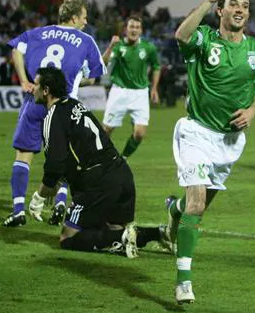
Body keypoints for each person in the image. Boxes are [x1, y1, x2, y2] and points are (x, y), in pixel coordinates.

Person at [164, 0, 255, 304]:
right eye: (233, 4)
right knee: (197, 203)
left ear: (248, 14)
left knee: (196, 208)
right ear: (222, 11)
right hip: (197, 131)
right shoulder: (206, 40)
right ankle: (184, 279)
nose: (239, 8)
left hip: (229, 143)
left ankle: (175, 210)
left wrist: (254, 111)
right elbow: (182, 36)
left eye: (244, 5)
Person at [28, 67, 167, 257]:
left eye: (35, 84)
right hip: (121, 173)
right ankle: (159, 233)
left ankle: (123, 237)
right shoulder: (76, 105)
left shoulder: (53, 116)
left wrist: (39, 196)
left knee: (68, 239)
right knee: (113, 228)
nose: (31, 88)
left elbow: (55, 163)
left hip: (99, 181)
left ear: (45, 90)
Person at [3, 0, 105, 227]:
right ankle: (60, 202)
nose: (86, 22)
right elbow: (92, 77)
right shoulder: (86, 41)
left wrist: (23, 80)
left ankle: (18, 210)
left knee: (23, 155)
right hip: (63, 106)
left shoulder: (38, 32)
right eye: (84, 17)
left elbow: (16, 50)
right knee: (67, 157)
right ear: (73, 17)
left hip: (35, 99)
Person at [101, 15, 161, 159]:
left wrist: (154, 89)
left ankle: (123, 159)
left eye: (137, 27)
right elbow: (103, 63)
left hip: (140, 93)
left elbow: (156, 67)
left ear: (141, 30)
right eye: (131, 27)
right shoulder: (119, 46)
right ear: (125, 30)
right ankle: (97, 159)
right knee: (106, 131)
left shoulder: (148, 47)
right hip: (119, 92)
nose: (134, 30)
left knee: (140, 133)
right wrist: (110, 47)